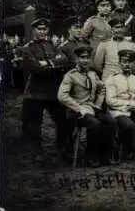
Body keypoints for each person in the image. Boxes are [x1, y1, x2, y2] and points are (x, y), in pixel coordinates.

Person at [57, 44, 118, 167]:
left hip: (91, 108)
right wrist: (79, 108)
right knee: (94, 123)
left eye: (87, 58)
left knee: (110, 121)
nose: (85, 60)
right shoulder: (70, 76)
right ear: (77, 60)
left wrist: (97, 104)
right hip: (76, 112)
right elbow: (62, 96)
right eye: (82, 58)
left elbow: (102, 88)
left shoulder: (92, 74)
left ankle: (105, 156)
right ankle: (92, 157)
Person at [22, 18, 71, 164]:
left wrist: (48, 63)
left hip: (53, 90)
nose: (42, 31)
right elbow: (35, 68)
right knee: (34, 125)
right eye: (39, 29)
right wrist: (53, 63)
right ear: (34, 30)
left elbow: (64, 60)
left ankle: (62, 150)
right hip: (35, 92)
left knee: (62, 121)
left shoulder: (53, 45)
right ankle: (36, 153)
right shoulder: (27, 48)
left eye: (45, 29)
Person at [105, 49, 135, 160]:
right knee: (129, 125)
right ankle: (128, 148)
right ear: (119, 63)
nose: (127, 65)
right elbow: (110, 100)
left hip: (134, 109)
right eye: (124, 62)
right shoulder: (112, 79)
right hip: (118, 111)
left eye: (129, 62)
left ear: (132, 64)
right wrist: (128, 104)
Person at [94, 17, 135, 81]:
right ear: (112, 29)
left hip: (126, 80)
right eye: (117, 27)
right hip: (109, 79)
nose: (120, 30)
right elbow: (97, 65)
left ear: (124, 29)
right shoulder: (104, 44)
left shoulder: (131, 45)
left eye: (122, 27)